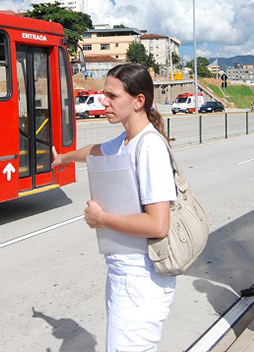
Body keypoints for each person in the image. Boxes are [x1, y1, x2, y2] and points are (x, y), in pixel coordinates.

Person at [50, 63, 176, 352]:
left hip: (141, 280)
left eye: (111, 96)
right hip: (123, 275)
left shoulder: (150, 148)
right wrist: (65, 158)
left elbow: (158, 224)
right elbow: (95, 151)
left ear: (138, 101)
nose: (103, 101)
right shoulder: (125, 142)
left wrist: (102, 219)